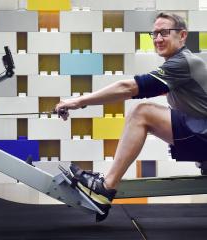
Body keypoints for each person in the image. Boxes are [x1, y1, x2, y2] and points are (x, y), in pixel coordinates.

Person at [55, 12, 207, 222]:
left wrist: (78, 101)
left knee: (141, 113)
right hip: (199, 131)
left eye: (164, 32)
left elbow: (128, 88)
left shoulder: (183, 63)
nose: (158, 39)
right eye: (154, 34)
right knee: (145, 111)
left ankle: (105, 189)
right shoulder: (180, 65)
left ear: (182, 36)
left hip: (203, 135)